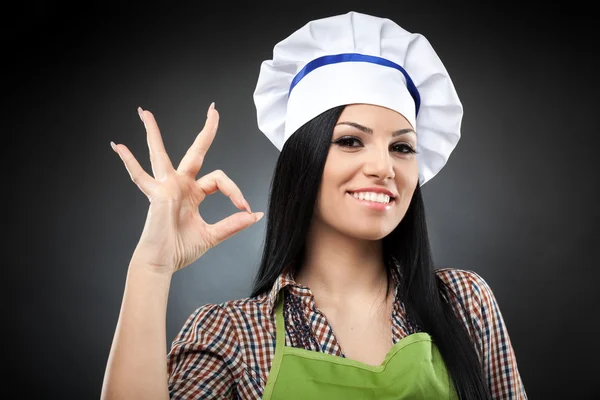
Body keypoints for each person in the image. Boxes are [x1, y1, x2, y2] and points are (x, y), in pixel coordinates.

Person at [101, 11, 527, 400]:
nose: (383, 167)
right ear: (302, 160)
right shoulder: (234, 337)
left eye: (402, 147)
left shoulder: (464, 304)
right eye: (350, 140)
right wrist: (151, 267)